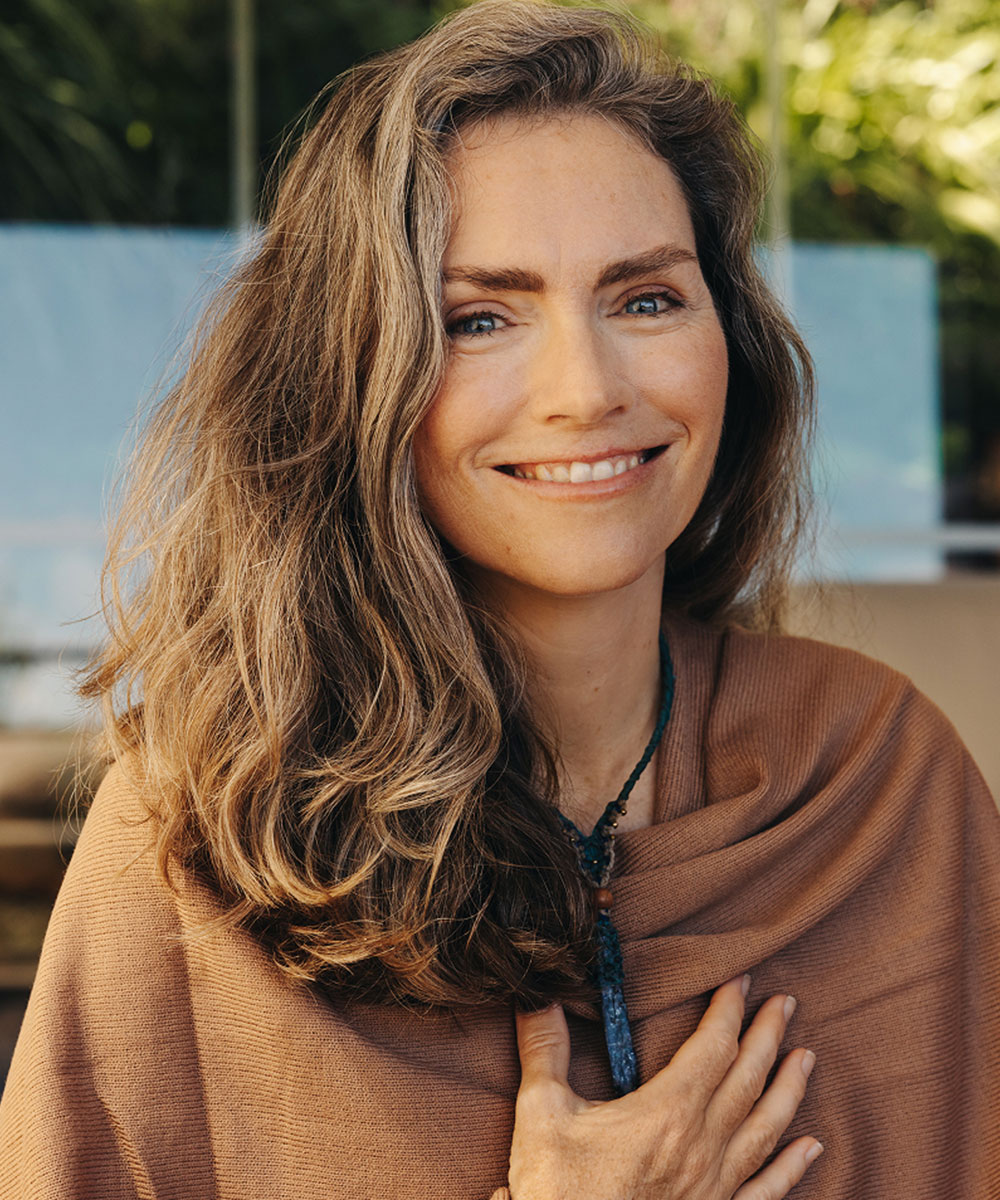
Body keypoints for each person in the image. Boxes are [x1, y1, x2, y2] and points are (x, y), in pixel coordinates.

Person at [1, 3, 998, 1197]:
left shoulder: (881, 779)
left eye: (645, 299)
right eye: (480, 318)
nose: (585, 389)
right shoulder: (190, 837)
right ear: (354, 375)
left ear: (727, 334)